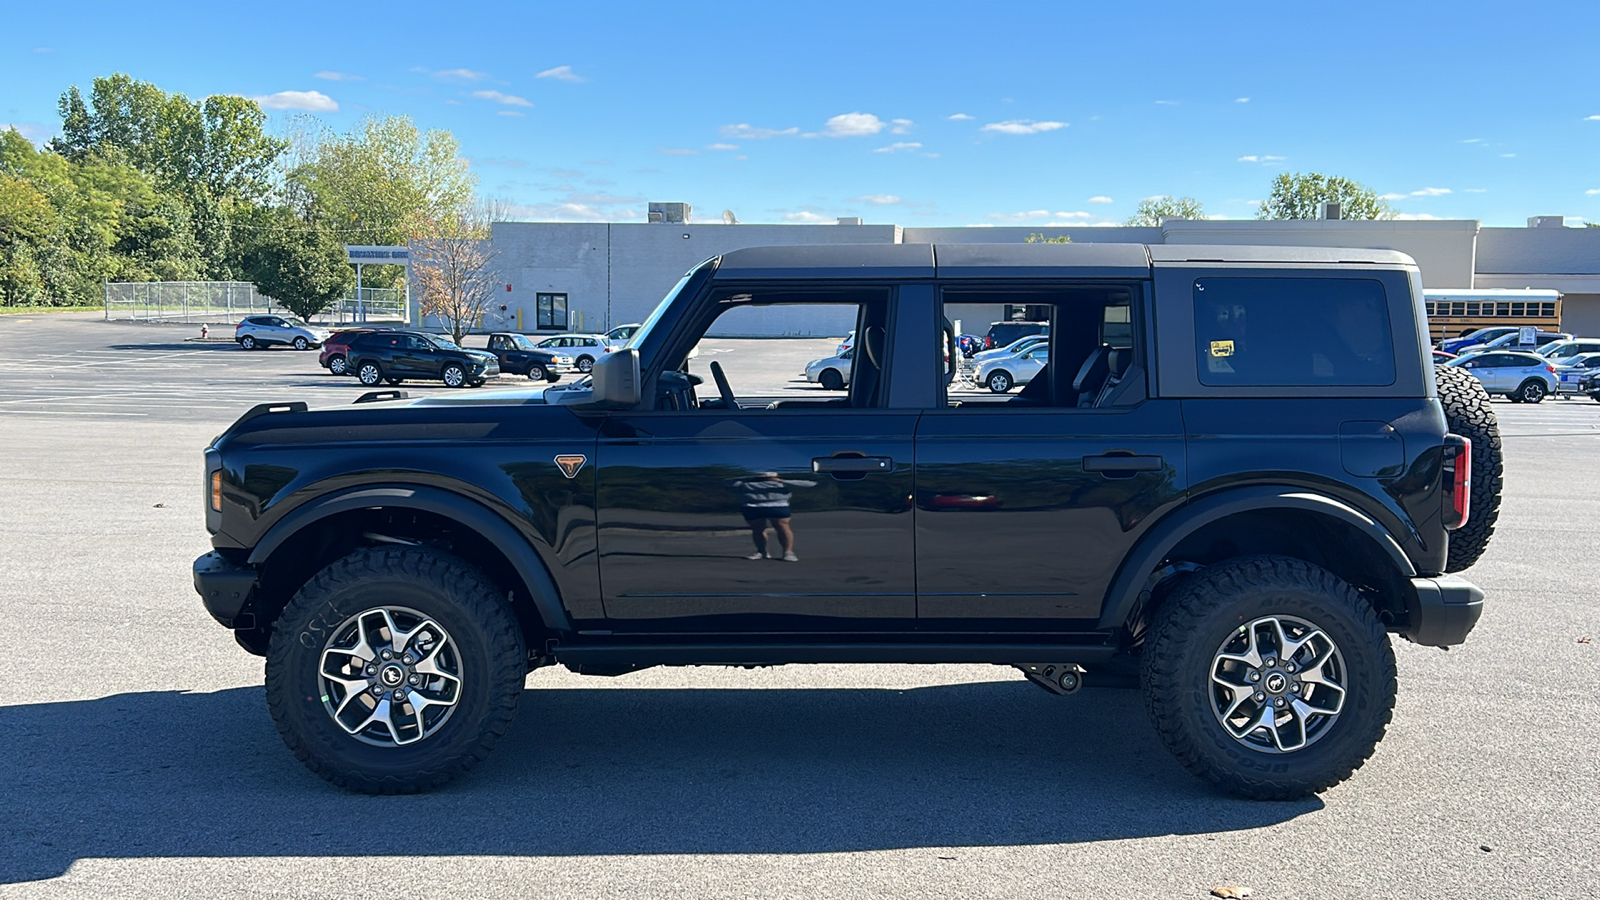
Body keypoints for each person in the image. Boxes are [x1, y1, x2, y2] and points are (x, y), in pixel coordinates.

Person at [730, 472, 815, 562]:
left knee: (783, 527)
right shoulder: (746, 483)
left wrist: (782, 481)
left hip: (778, 506)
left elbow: (810, 484)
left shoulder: (782, 483)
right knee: (757, 529)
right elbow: (727, 482)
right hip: (753, 506)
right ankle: (761, 552)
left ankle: (788, 552)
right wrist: (751, 478)